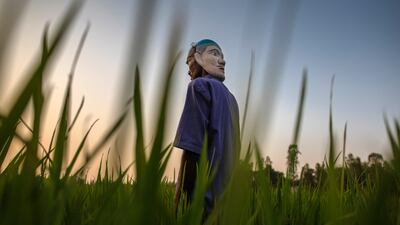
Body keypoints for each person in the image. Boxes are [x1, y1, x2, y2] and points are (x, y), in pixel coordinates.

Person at [174, 39, 240, 217]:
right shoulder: (232, 100)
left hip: (204, 207)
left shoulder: (199, 86)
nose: (188, 70)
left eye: (189, 63)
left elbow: (192, 151)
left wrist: (180, 200)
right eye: (216, 54)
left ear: (197, 59)